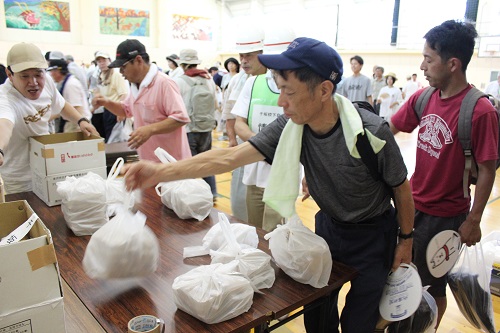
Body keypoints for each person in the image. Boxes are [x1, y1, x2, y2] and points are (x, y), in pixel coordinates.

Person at [122, 37, 414, 333]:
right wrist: (161, 171)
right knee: (317, 310)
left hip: (373, 236)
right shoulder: (293, 125)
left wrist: (406, 240)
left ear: (324, 90)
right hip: (329, 228)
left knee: (358, 323)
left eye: (289, 91)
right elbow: (229, 157)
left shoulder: (371, 133)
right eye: (280, 90)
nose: (280, 102)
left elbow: (401, 188)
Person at [390, 20, 499, 329]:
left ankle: (428, 327)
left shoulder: (480, 111)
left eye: (428, 58)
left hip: (446, 219)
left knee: (431, 286)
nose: (422, 66)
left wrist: (474, 220)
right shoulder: (423, 98)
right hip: (411, 205)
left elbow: (488, 170)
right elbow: (388, 131)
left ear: (453, 64)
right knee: (401, 273)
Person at [0, 43, 98, 194]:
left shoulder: (47, 83)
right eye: (24, 76)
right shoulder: (5, 98)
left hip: (48, 166)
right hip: (20, 177)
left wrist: (81, 120)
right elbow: (4, 123)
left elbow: (61, 105)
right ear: (9, 74)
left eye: (38, 74)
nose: (33, 83)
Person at [231, 28, 295, 231]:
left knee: (275, 232)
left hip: (282, 175)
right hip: (254, 172)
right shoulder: (253, 82)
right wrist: (262, 144)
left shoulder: (298, 85)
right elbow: (239, 122)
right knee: (254, 229)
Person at [92, 39, 191, 162]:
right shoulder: (136, 86)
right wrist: (106, 102)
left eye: (123, 67)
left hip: (171, 162)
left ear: (138, 60)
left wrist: (150, 129)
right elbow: (125, 110)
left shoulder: (164, 83)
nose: (121, 73)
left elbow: (180, 118)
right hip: (148, 161)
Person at [221, 28, 266, 222]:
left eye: (249, 55)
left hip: (270, 154)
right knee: (241, 200)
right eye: (241, 56)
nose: (244, 60)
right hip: (244, 147)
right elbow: (230, 113)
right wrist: (232, 140)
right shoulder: (238, 81)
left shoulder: (275, 79)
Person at [173, 49, 218, 200]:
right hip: (206, 127)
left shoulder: (180, 81)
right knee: (206, 161)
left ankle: (192, 197)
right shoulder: (208, 79)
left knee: (190, 164)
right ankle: (212, 192)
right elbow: (215, 103)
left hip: (188, 128)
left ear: (183, 64)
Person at [47, 59, 92, 133]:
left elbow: (77, 108)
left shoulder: (71, 85)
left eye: (52, 71)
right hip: (74, 122)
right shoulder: (65, 83)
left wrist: (80, 125)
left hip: (76, 124)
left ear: (58, 71)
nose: (51, 74)